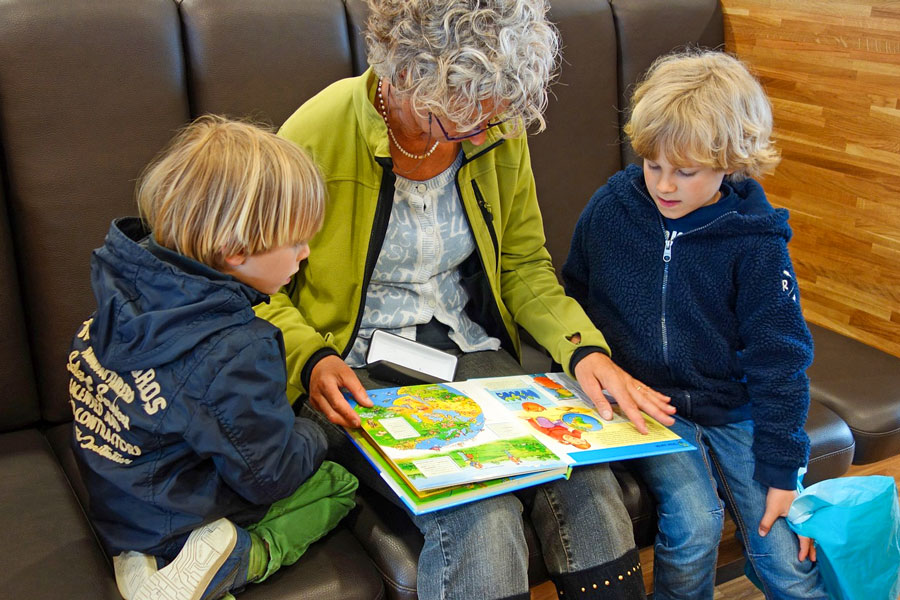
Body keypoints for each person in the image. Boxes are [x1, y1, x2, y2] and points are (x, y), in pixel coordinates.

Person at [255, 1, 675, 598]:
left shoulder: (494, 122)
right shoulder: (315, 136)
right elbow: (255, 290)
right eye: (464, 117)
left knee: (588, 483)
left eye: (494, 113)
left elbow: (524, 265)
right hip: (355, 365)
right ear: (408, 77)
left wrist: (584, 352)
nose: (485, 132)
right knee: (481, 511)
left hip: (467, 348)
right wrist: (311, 358)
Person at [562, 49, 827, 599]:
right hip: (649, 407)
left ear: (731, 162)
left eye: (686, 172)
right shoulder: (613, 206)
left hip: (734, 408)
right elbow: (573, 294)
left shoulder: (755, 239)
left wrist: (785, 471)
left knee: (788, 556)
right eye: (653, 164)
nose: (664, 185)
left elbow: (781, 360)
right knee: (695, 522)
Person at [67, 116, 358, 600]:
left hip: (117, 503)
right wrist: (318, 433)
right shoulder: (236, 349)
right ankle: (240, 557)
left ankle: (147, 563)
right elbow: (271, 475)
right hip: (179, 513)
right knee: (338, 484)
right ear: (236, 251)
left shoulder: (124, 287)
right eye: (297, 242)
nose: (306, 254)